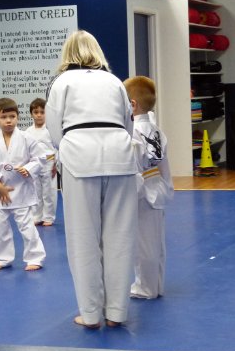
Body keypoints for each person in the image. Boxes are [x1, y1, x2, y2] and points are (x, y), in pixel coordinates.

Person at [45, 30, 138, 329]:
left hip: (78, 155)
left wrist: (69, 147)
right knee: (120, 237)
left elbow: (54, 129)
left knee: (83, 238)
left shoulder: (61, 82)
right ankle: (117, 312)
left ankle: (90, 314)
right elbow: (128, 122)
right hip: (119, 154)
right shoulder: (114, 81)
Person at [0, 98, 47, 271]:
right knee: (0, 228)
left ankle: (35, 258)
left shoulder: (26, 138)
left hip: (21, 190)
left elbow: (40, 158)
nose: (8, 120)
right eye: (4, 117)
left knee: (27, 227)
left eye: (12, 116)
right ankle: (3, 258)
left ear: (17, 117)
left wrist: (28, 168)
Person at [124, 76, 174, 299]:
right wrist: (167, 186)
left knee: (143, 245)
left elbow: (134, 168)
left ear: (132, 104)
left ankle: (146, 288)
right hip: (157, 186)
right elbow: (164, 164)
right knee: (155, 243)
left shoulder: (133, 133)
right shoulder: (155, 129)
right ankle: (156, 285)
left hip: (142, 190)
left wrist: (129, 197)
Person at [25, 98, 57, 226]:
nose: (39, 115)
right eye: (35, 112)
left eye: (42, 112)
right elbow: (26, 150)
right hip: (34, 164)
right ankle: (36, 216)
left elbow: (57, 147)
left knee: (49, 192)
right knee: (36, 192)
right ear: (31, 114)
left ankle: (49, 216)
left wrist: (56, 164)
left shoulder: (51, 130)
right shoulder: (28, 132)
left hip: (49, 164)